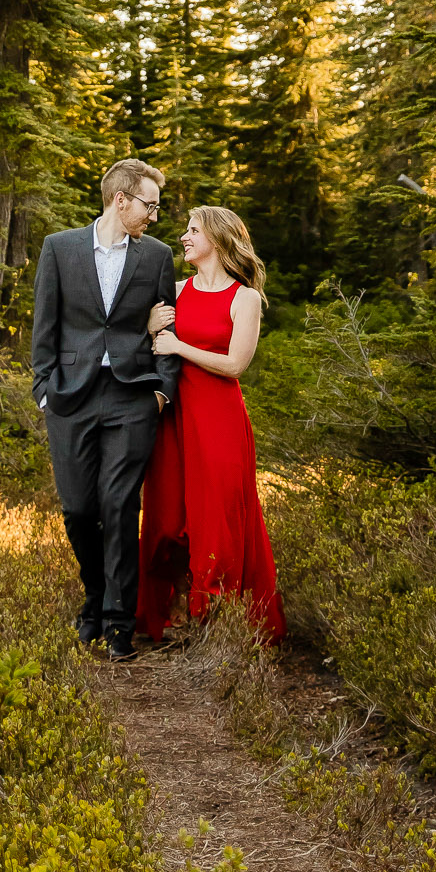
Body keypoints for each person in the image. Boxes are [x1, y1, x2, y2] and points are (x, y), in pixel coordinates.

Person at [30, 160, 180, 661]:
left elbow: (167, 332)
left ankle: (119, 621)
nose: (155, 216)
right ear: (121, 200)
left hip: (132, 394)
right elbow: (44, 324)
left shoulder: (157, 257)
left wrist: (162, 390)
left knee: (119, 507)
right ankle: (94, 595)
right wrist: (44, 388)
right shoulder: (60, 248)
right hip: (70, 394)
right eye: (150, 205)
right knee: (78, 509)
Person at [136, 203, 285, 644]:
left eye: (193, 230)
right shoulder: (176, 290)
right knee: (166, 518)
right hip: (174, 419)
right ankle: (177, 607)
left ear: (217, 240)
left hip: (218, 419)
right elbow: (149, 348)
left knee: (216, 518)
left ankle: (217, 622)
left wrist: (179, 347)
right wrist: (148, 328)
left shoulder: (245, 298)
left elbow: (235, 364)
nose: (184, 237)